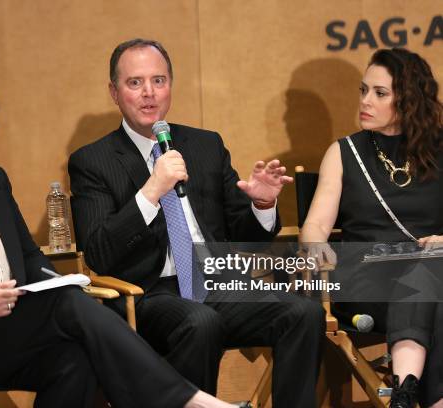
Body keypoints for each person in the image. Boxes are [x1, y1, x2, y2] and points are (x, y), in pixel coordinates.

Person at [0, 71, 239, 408]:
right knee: (67, 306)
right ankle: (190, 402)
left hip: (13, 327)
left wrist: (63, 282)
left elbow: (32, 260)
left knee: (74, 359)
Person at [69, 38, 325, 408]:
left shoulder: (205, 145)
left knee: (304, 313)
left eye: (159, 81)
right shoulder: (92, 161)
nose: (149, 93)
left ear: (171, 84)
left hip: (217, 282)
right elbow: (100, 252)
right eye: (135, 83)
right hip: (147, 294)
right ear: (114, 91)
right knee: (200, 322)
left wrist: (262, 203)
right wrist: (152, 190)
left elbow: (245, 235)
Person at [300, 48, 443, 408]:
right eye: (364, 90)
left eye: (380, 94)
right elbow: (316, 224)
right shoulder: (343, 152)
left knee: (430, 273)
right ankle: (410, 392)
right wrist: (315, 250)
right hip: (366, 280)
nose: (365, 101)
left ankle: (405, 394)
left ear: (409, 100)